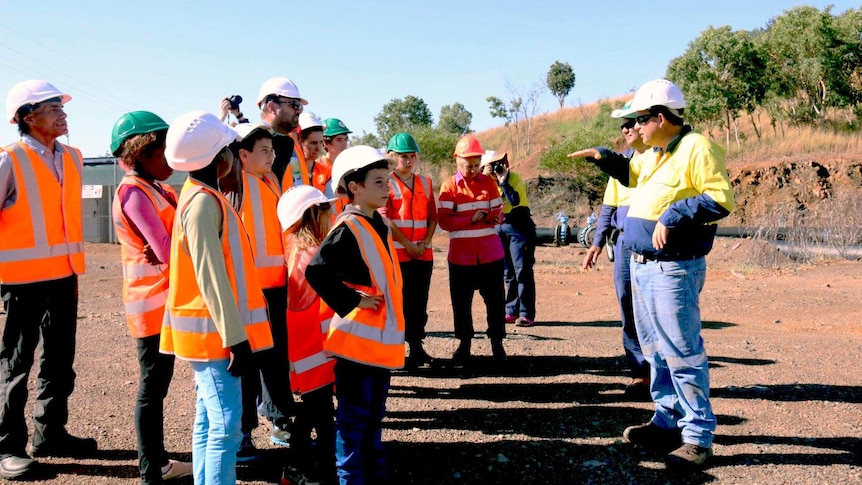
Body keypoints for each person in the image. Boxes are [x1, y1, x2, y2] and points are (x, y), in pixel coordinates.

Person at [568, 79, 735, 470]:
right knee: (656, 351)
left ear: (661, 118)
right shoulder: (656, 152)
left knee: (682, 351)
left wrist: (675, 214)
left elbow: (720, 199)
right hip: (643, 265)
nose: (636, 127)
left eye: (641, 119)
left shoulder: (697, 148)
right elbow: (629, 174)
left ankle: (697, 437)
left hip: (674, 267)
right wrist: (604, 158)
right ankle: (666, 420)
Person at [160, 111, 274, 485]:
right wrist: (237, 340)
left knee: (209, 421)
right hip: (215, 338)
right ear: (220, 156)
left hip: (213, 335)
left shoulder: (204, 197)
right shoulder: (204, 203)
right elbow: (212, 280)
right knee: (225, 424)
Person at [0, 80, 97, 480]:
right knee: (16, 364)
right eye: (52, 107)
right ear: (27, 117)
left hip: (64, 276)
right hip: (22, 280)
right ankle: (6, 448)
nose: (63, 113)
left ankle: (50, 433)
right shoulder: (9, 159)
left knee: (59, 361)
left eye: (62, 106)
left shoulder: (72, 157)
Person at [305, 145, 405, 484]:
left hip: (376, 347)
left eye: (387, 181)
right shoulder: (348, 228)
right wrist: (352, 301)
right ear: (353, 187)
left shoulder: (377, 223)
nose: (387, 189)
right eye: (378, 182)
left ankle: (372, 476)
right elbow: (316, 271)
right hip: (357, 348)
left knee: (373, 416)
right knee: (353, 420)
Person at [110, 111, 192, 484]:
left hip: (165, 300)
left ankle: (156, 464)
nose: (169, 160)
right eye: (162, 153)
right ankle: (151, 469)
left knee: (157, 386)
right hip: (151, 304)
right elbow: (164, 248)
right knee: (152, 387)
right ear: (140, 152)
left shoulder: (160, 189)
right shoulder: (133, 192)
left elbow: (168, 242)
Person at [229, 123, 295, 455]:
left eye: (272, 150)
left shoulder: (270, 181)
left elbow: (283, 144)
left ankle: (280, 421)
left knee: (275, 359)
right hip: (249, 288)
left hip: (275, 285)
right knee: (249, 363)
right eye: (263, 151)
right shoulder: (235, 186)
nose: (271, 156)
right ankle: (242, 435)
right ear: (242, 154)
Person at [581, 101, 652, 401]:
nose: (625, 129)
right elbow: (609, 206)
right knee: (627, 305)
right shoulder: (620, 163)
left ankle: (664, 375)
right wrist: (596, 243)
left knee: (652, 307)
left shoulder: (659, 160)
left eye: (631, 122)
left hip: (651, 241)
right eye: (621, 125)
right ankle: (639, 374)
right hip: (622, 242)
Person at [277, 185, 338, 485]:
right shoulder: (311, 255)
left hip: (309, 348)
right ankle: (302, 467)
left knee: (319, 410)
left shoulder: (297, 248)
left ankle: (316, 463)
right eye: (326, 210)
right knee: (319, 412)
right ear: (312, 214)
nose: (331, 215)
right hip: (315, 349)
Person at [437, 134, 507, 364]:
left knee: (496, 302)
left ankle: (497, 342)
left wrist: (494, 217)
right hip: (461, 257)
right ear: (457, 160)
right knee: (461, 303)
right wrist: (470, 219)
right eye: (468, 166)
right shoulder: (448, 187)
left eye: (477, 165)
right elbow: (444, 221)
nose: (473, 170)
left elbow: (499, 214)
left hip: (490, 254)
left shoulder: (489, 184)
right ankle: (464, 343)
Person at [380, 132, 437, 369]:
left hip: (424, 254)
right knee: (399, 304)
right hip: (399, 255)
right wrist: (408, 244)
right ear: (392, 156)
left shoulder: (425, 182)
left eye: (412, 155)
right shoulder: (385, 183)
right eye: (403, 156)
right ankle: (396, 351)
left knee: (418, 303)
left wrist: (424, 242)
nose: (409, 160)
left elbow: (433, 217)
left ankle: (417, 348)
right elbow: (386, 219)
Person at [480, 149, 537, 328]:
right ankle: (511, 310)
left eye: (499, 163)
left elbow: (514, 200)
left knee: (522, 271)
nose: (496, 167)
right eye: (491, 165)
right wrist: (482, 177)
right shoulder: (485, 182)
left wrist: (503, 181)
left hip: (518, 227)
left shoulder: (515, 179)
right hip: (498, 228)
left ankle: (526, 313)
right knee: (508, 273)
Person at [256, 76, 310, 194]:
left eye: (300, 106)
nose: (299, 110)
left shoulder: (292, 142)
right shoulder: (253, 143)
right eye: (294, 105)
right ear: (271, 107)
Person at [297, 112, 333, 195]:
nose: (318, 148)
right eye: (313, 143)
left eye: (321, 142)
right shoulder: (290, 171)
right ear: (300, 141)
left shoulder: (326, 172)